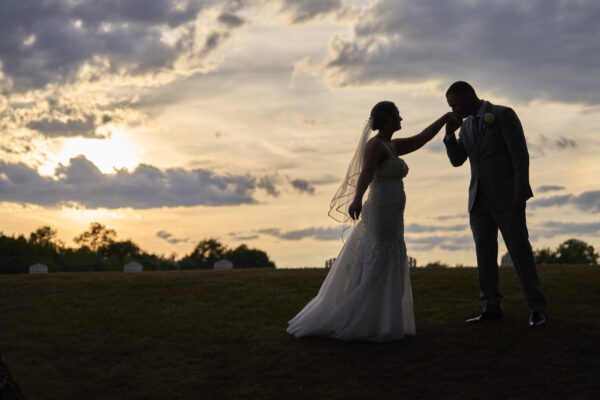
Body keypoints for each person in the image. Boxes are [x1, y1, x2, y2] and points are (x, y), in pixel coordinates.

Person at [287, 101, 458, 341]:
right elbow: (367, 172)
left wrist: (444, 119)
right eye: (397, 115)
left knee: (390, 255)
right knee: (381, 256)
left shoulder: (393, 145)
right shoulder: (375, 145)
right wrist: (357, 198)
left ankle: (384, 319)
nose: (401, 119)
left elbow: (422, 138)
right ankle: (362, 318)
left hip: (393, 211)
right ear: (387, 118)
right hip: (380, 210)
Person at [443, 81, 546, 327]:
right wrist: (449, 135)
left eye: (455, 104)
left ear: (469, 98)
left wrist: (520, 192)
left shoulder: (502, 115)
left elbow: (520, 155)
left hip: (507, 198)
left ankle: (537, 308)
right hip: (478, 201)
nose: (453, 110)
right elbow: (458, 160)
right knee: (484, 254)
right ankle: (491, 306)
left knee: (519, 252)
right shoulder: (465, 127)